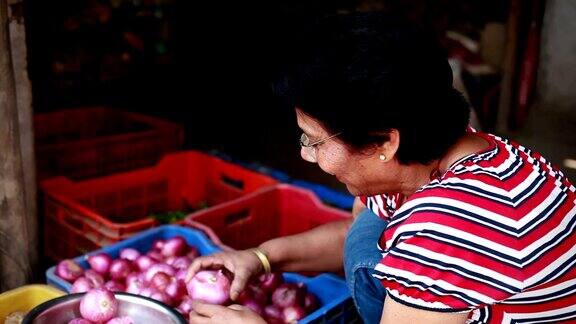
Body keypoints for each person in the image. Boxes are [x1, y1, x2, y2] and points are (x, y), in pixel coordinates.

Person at [185, 13, 576, 324]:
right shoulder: (448, 153)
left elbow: (436, 243)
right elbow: (353, 237)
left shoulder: (448, 230)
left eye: (314, 140)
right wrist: (260, 258)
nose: (305, 155)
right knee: (369, 228)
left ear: (386, 141)